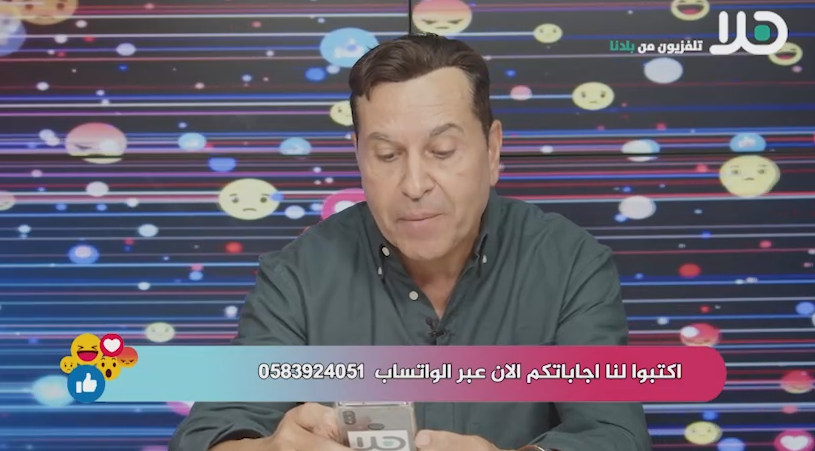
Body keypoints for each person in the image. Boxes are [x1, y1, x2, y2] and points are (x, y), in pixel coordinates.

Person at [170, 33, 652, 451]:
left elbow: (615, 434)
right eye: (387, 155)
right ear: (358, 157)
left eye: (442, 150)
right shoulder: (298, 276)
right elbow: (206, 433)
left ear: (492, 150)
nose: (414, 184)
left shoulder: (569, 263)